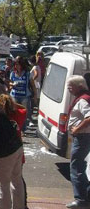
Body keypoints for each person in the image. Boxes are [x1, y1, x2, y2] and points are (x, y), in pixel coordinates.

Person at [65, 75, 90, 209]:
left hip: (82, 137)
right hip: (82, 137)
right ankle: (85, 196)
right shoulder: (82, 99)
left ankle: (81, 199)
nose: (69, 88)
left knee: (76, 166)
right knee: (79, 165)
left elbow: (89, 117)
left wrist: (77, 129)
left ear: (79, 86)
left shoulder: (83, 101)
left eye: (71, 86)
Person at [8, 56, 31, 132]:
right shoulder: (12, 73)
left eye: (18, 64)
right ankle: (16, 127)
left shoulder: (27, 74)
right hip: (14, 95)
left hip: (24, 96)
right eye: (15, 64)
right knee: (15, 112)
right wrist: (12, 84)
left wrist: (34, 96)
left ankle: (23, 128)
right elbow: (9, 83)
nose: (16, 66)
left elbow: (32, 84)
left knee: (24, 112)